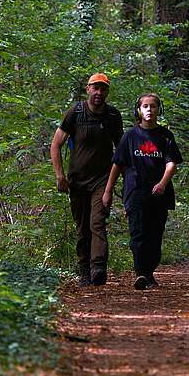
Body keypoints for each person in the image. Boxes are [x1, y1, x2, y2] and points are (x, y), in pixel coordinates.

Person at [102, 93, 183, 290]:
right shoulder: (130, 136)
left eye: (153, 106)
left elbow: (171, 163)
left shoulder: (165, 135)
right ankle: (141, 273)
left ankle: (149, 272)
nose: (149, 109)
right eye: (145, 106)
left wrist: (163, 183)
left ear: (158, 110)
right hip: (135, 191)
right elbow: (117, 164)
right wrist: (108, 190)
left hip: (159, 194)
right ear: (139, 110)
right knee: (137, 233)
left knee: (155, 235)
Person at [50, 73, 124, 287]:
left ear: (107, 92)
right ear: (88, 89)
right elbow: (55, 145)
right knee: (82, 227)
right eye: (96, 88)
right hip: (77, 181)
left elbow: (121, 152)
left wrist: (117, 183)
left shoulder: (112, 116)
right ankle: (84, 271)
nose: (99, 93)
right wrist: (60, 176)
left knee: (97, 222)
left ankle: (98, 268)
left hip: (102, 180)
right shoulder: (76, 112)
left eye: (103, 89)